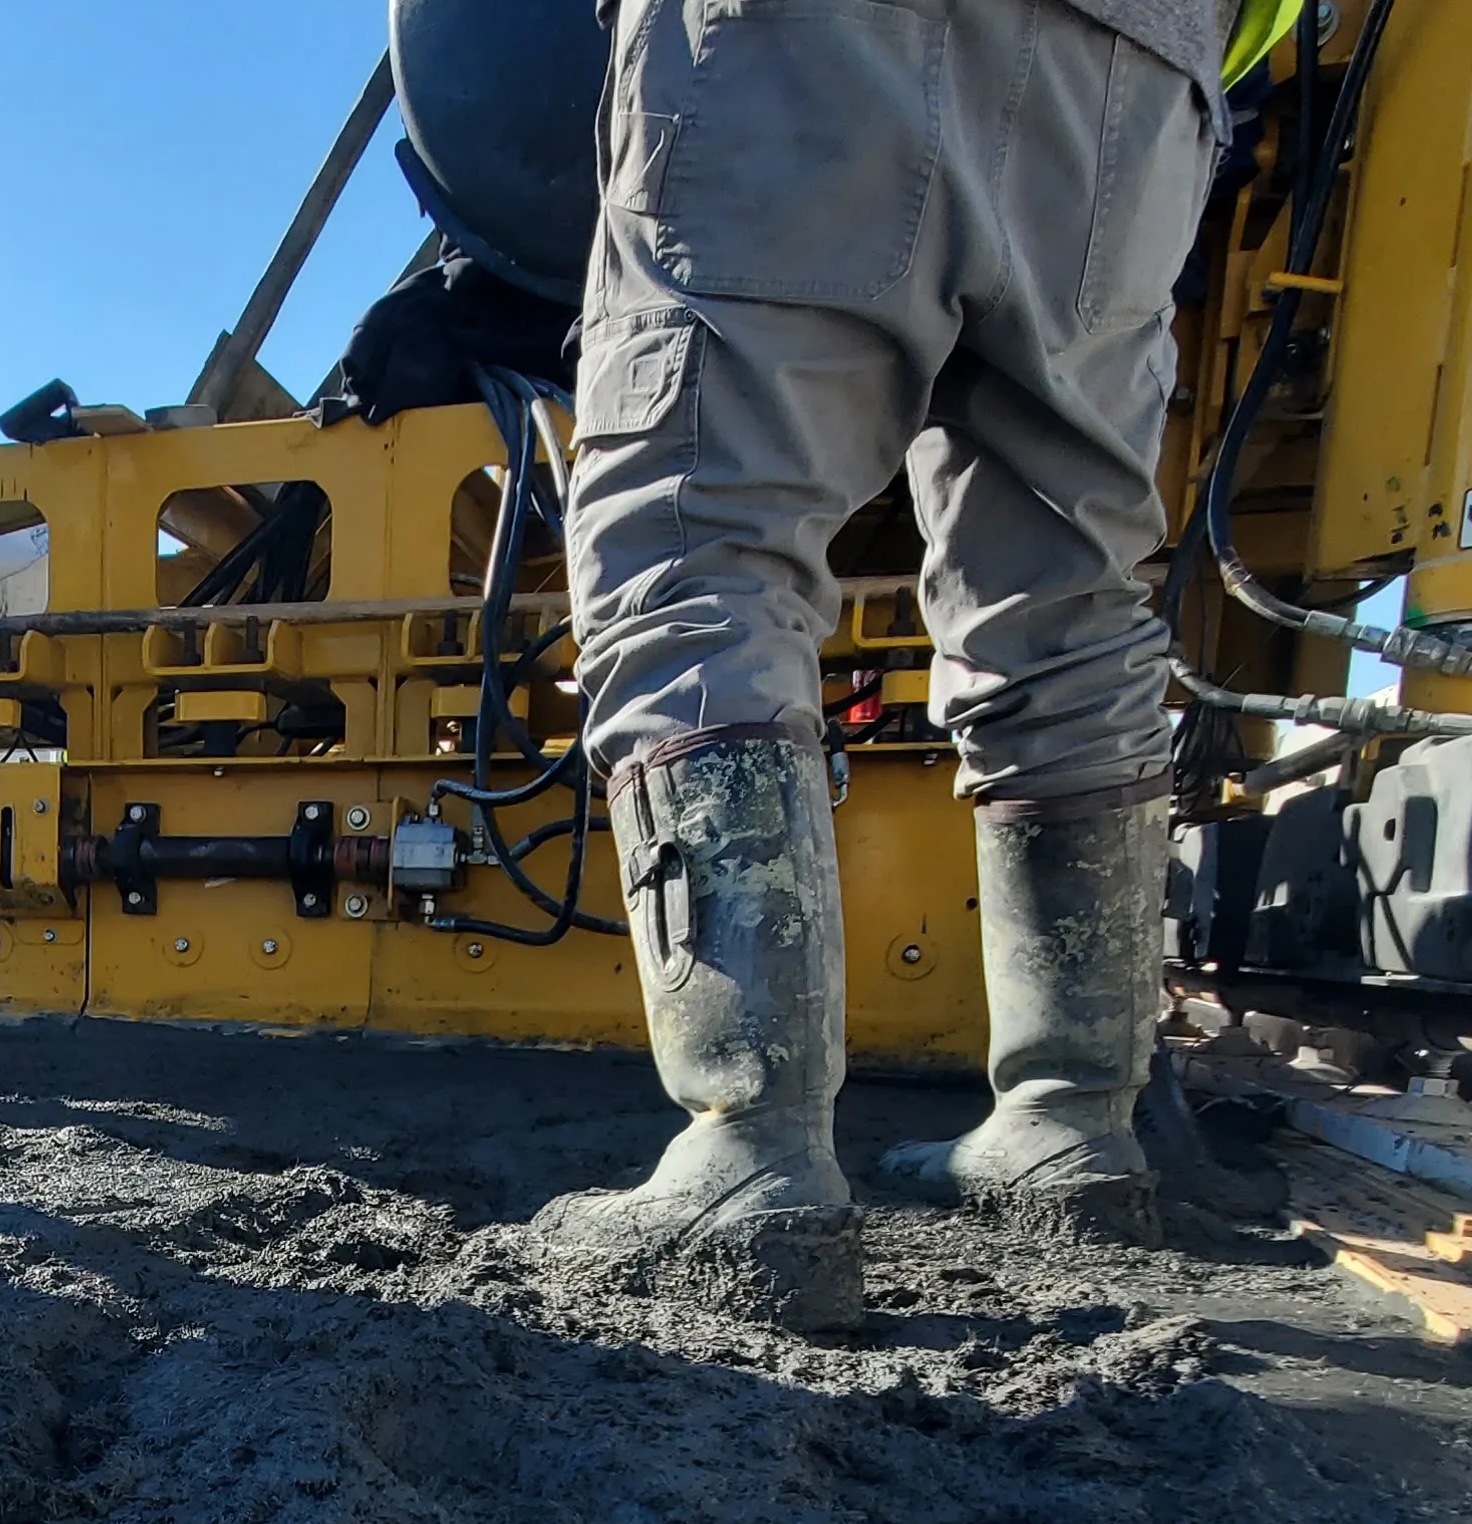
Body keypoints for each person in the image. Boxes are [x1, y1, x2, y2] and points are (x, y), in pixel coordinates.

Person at [521, 0, 1285, 1325]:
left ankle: (750, 1154)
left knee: (701, 532)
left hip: (806, 36)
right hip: (1138, 67)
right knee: (1067, 578)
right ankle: (1070, 1126)